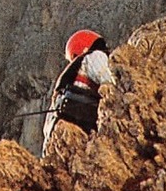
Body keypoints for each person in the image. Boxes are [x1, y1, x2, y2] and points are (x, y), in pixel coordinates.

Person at [42, 29, 115, 157]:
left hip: (58, 136)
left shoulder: (64, 85)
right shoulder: (94, 56)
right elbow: (108, 80)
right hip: (83, 119)